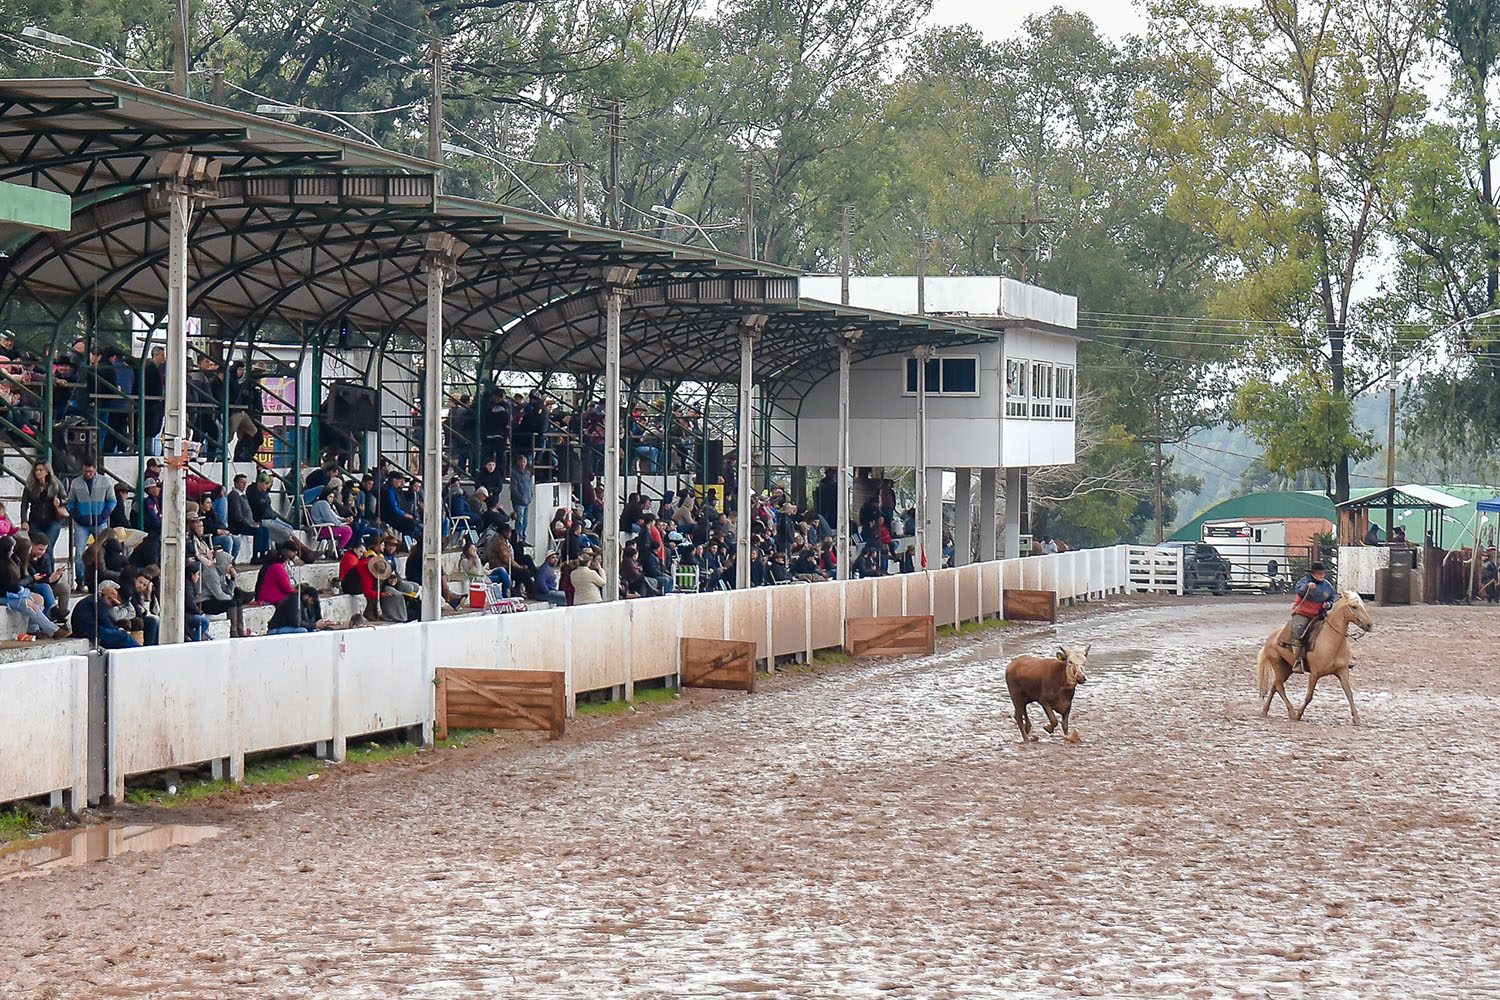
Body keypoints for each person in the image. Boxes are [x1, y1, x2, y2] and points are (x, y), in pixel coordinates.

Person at [65, 460, 115, 587]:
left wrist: (105, 514)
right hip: (82, 523)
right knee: (80, 553)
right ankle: (80, 579)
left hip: (100, 521)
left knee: (103, 550)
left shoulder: (105, 481)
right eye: (86, 471)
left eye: (90, 471)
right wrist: (77, 515)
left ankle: (102, 577)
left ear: (95, 469)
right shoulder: (76, 483)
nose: (88, 474)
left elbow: (112, 500)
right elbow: (70, 502)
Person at [1286, 561, 1336, 673]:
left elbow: (1331, 598)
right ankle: (1298, 660)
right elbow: (1299, 589)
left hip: (1319, 614)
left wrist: (1328, 605)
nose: (1321, 575)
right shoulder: (1304, 581)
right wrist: (1307, 587)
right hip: (1303, 613)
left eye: (1322, 573)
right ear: (1312, 574)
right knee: (1298, 632)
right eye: (1319, 573)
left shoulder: (1328, 586)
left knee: (1335, 630)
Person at [20, 461, 67, 558]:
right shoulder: (30, 485)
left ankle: (49, 572)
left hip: (53, 520)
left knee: (48, 549)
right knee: (36, 549)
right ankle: (37, 572)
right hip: (35, 520)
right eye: (36, 470)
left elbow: (66, 498)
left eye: (41, 470)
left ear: (47, 472)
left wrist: (60, 502)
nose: (38, 472)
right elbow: (24, 504)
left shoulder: (55, 484)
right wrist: (24, 521)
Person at [70, 579, 135, 648]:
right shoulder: (100, 602)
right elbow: (104, 621)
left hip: (88, 629)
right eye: (113, 603)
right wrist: (116, 629)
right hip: (88, 631)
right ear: (107, 597)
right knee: (123, 637)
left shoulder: (96, 600)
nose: (112, 606)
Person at [268, 584, 332, 635]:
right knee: (302, 631)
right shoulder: (294, 600)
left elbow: (308, 621)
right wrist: (315, 625)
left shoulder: (304, 604)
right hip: (277, 629)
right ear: (306, 596)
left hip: (289, 627)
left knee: (313, 631)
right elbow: (297, 622)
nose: (312, 603)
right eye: (312, 600)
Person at [510, 454, 534, 540]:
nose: (522, 463)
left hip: (527, 500)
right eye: (521, 461)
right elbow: (514, 488)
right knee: (519, 520)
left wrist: (531, 496)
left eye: (524, 461)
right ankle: (518, 537)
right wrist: (520, 498)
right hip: (518, 501)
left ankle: (523, 537)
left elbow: (530, 486)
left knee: (525, 521)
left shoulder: (528, 473)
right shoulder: (514, 473)